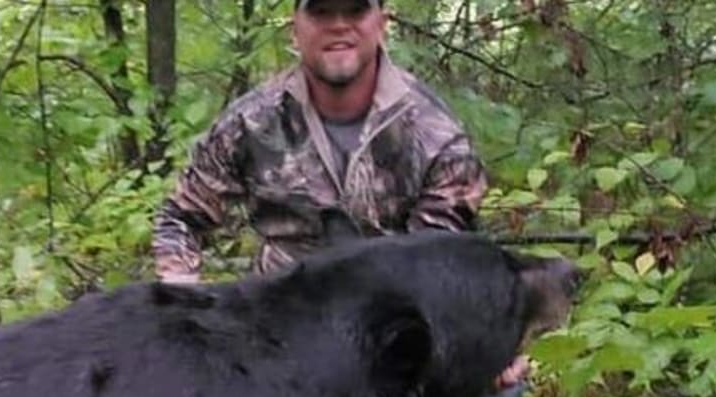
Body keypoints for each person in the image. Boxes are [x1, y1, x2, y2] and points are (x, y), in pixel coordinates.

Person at [152, 0, 489, 284]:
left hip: (390, 328)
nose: (339, 25)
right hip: (275, 327)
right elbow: (180, 217)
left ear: (383, 24)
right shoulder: (252, 122)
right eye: (322, 12)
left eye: (355, 11)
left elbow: (442, 261)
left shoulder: (435, 133)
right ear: (295, 29)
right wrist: (183, 303)